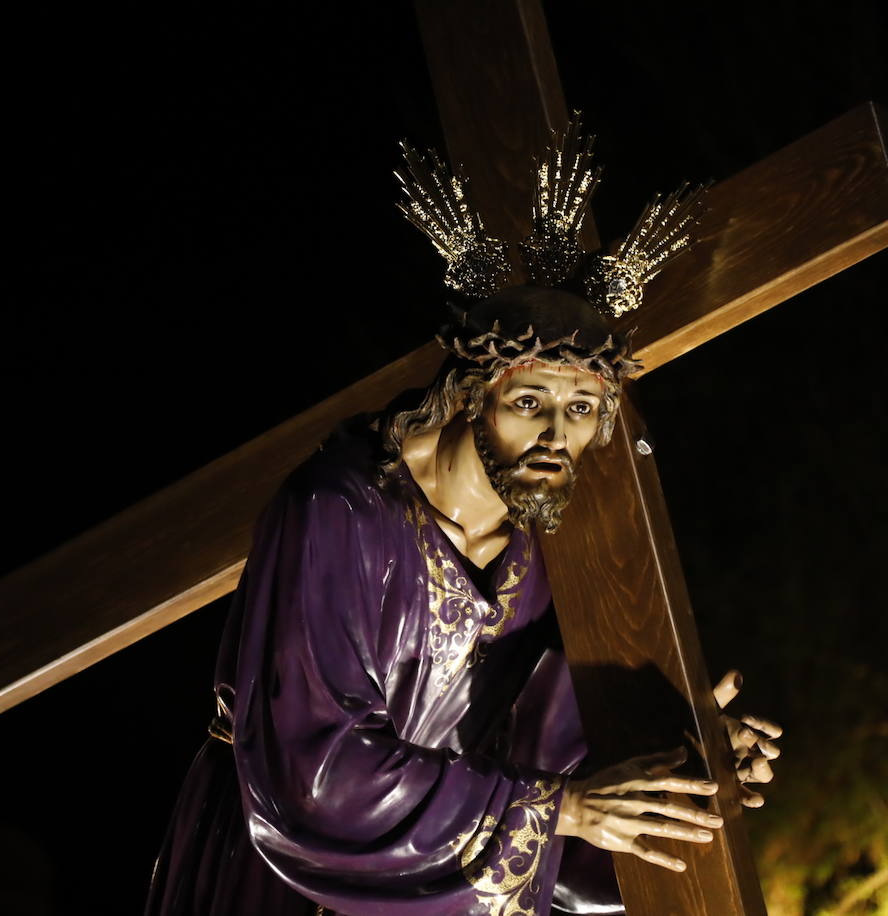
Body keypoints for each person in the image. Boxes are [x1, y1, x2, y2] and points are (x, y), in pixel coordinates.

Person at [146, 122, 781, 916]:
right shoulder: (339, 512)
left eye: (582, 409)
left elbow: (550, 747)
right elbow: (314, 769)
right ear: (470, 395)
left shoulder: (539, 549)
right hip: (280, 872)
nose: (557, 436)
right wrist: (556, 809)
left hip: (443, 857)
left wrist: (686, 756)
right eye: (530, 402)